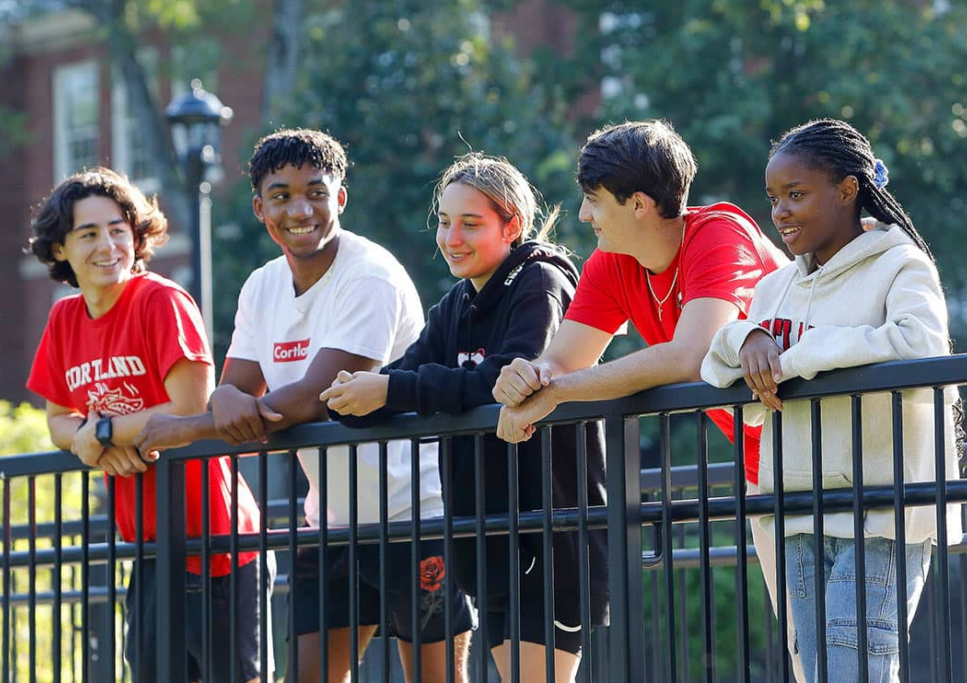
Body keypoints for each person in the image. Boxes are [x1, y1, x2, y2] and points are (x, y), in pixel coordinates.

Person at [134, 129, 474, 683]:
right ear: (259, 207)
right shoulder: (261, 286)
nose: (300, 208)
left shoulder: (370, 275)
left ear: (340, 198)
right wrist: (222, 397)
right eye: (282, 194)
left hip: (420, 510)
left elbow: (317, 398)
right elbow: (239, 390)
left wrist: (180, 430)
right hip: (333, 520)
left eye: (316, 191)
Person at [489, 120, 802, 678]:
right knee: (812, 653)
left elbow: (693, 354)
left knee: (846, 650)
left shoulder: (720, 231)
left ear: (637, 204)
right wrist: (523, 382)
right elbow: (559, 361)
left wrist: (553, 393)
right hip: (769, 470)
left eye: (592, 201)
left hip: (835, 452)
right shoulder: (611, 263)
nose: (583, 216)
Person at [320, 153, 609, 683]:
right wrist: (350, 398)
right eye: (445, 222)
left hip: (551, 531)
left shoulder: (540, 282)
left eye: (470, 223)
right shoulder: (455, 303)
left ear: (512, 226)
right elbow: (407, 377)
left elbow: (508, 377)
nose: (452, 237)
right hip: (490, 539)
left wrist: (390, 388)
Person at [701, 118, 962, 682]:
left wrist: (795, 358)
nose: (780, 213)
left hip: (883, 513)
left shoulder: (901, 263)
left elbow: (923, 352)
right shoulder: (774, 289)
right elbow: (718, 371)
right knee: (820, 674)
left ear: (847, 191)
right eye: (773, 198)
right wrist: (745, 337)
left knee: (855, 672)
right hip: (796, 511)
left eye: (797, 195)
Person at [25, 167, 273, 683]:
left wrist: (106, 431)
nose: (108, 244)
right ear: (58, 251)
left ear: (137, 237)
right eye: (88, 233)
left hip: (217, 542)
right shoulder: (64, 320)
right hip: (149, 547)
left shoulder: (161, 301)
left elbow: (191, 407)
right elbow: (56, 419)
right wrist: (90, 442)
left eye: (118, 229)